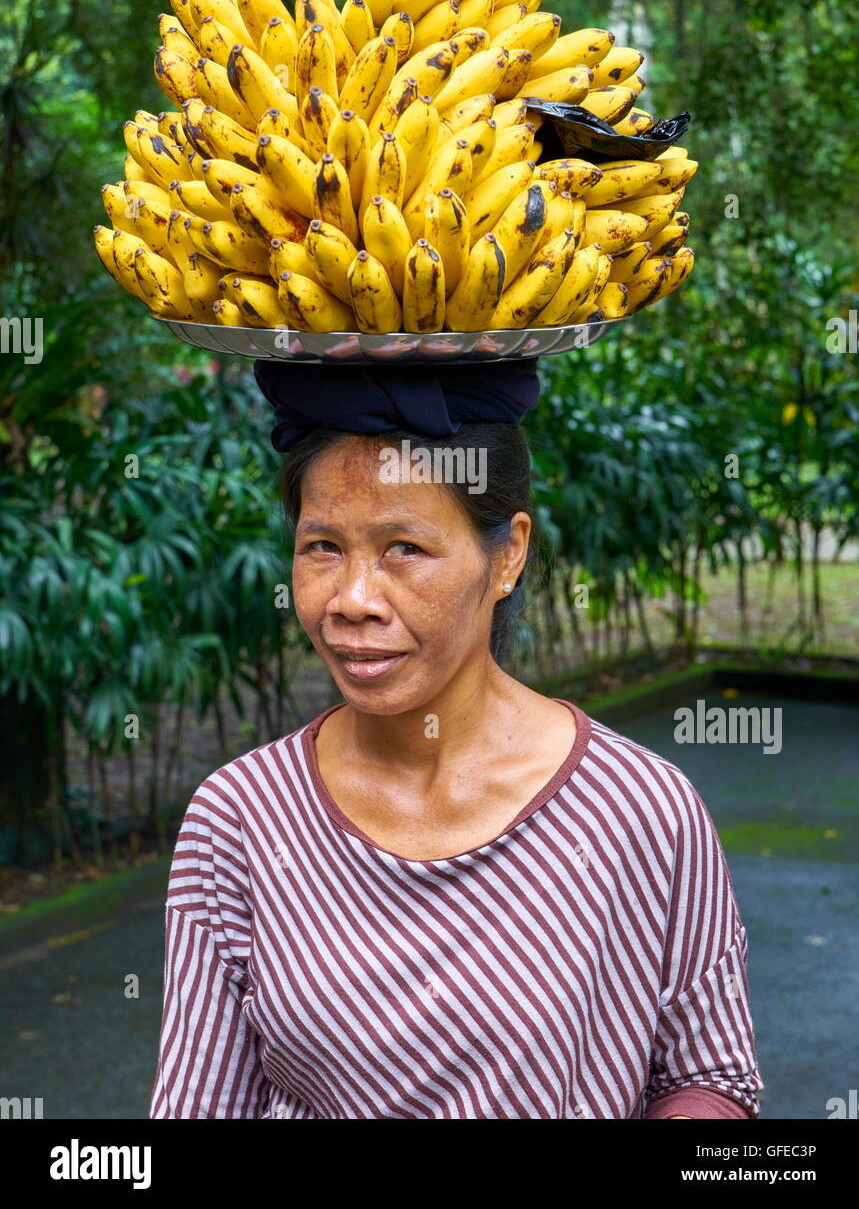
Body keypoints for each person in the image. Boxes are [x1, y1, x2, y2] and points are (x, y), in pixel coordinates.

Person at [149, 359, 763, 1120]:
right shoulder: (240, 819)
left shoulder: (642, 811)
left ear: (506, 555)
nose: (353, 601)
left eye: (404, 548)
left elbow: (706, 1078)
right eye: (322, 547)